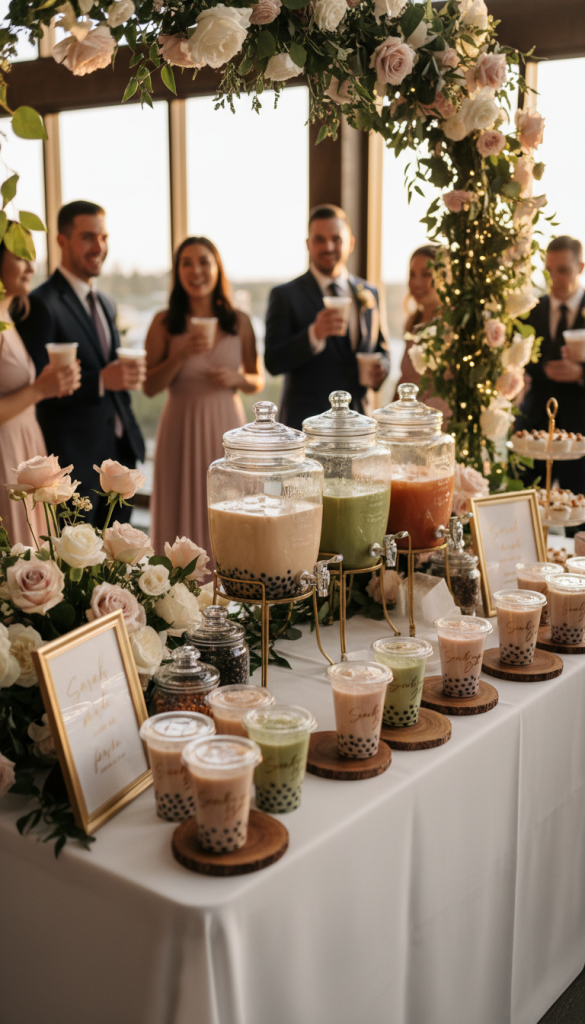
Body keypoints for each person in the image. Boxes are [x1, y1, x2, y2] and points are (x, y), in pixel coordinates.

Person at [17, 200, 146, 528]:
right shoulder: (40, 304)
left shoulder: (106, 302)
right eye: (88, 237)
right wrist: (101, 380)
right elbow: (36, 388)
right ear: (62, 241)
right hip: (75, 463)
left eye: (103, 237)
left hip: (119, 461)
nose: (99, 247)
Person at [144, 236, 264, 559]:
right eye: (187, 263)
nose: (195, 271)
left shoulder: (240, 321)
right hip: (180, 426)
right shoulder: (163, 322)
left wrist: (238, 379)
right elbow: (149, 386)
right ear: (178, 272)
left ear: (217, 268)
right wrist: (180, 354)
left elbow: (257, 379)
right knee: (178, 504)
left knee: (229, 505)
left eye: (203, 262)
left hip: (226, 427)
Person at [264, 204, 389, 429]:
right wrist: (314, 335)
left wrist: (382, 368)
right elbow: (273, 361)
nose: (328, 247)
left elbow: (382, 349)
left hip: (358, 423)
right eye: (320, 240)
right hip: (306, 425)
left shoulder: (370, 292)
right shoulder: (285, 295)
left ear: (350, 242)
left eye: (336, 239)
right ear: (308, 244)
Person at [0, 239, 80, 545]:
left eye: (33, 257)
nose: (31, 267)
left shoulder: (8, 317)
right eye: (21, 257)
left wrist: (47, 384)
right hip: (5, 449)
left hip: (23, 442)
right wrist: (39, 389)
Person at [517, 235, 585, 492]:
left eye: (563, 270)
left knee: (576, 507)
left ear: (580, 267)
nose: (554, 278)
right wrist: (540, 369)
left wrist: (580, 373)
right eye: (549, 271)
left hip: (580, 430)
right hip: (534, 426)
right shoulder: (531, 310)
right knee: (526, 502)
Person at [398, 244, 450, 417]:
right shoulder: (413, 325)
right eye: (412, 275)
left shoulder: (450, 328)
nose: (417, 283)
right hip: (409, 422)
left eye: (427, 274)